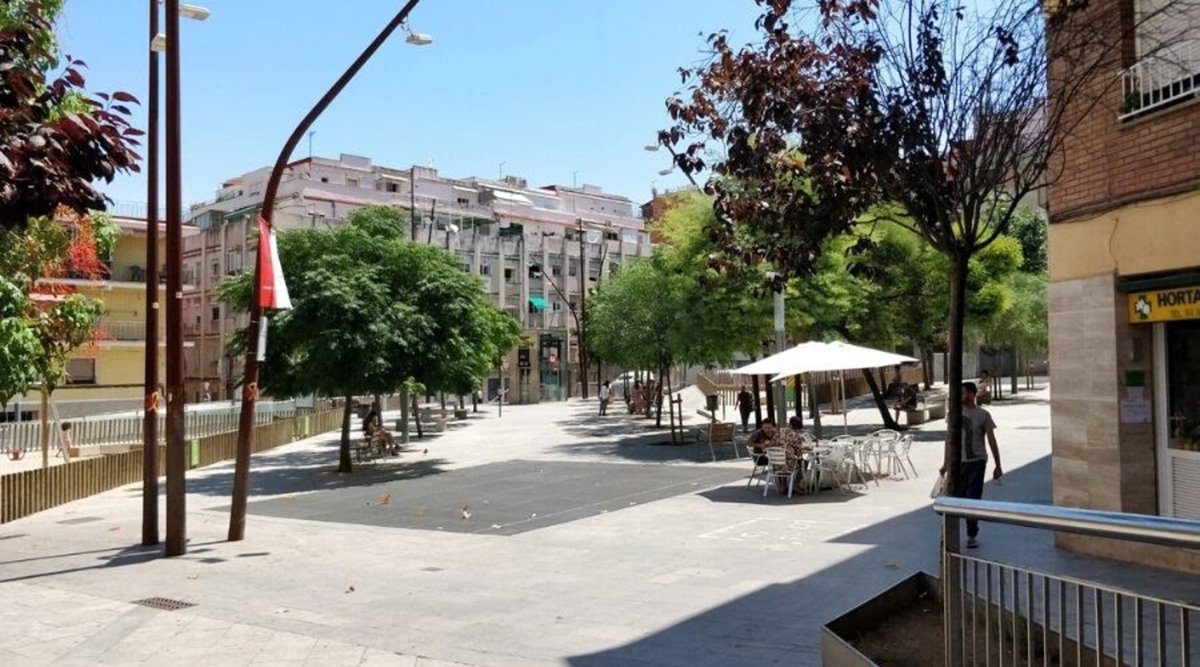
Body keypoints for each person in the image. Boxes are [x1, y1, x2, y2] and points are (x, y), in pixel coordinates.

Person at [941, 381, 1002, 548]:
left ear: (973, 394)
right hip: (958, 462)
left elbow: (992, 440)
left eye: (964, 393)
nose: (961, 396)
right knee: (955, 496)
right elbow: (949, 439)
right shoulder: (954, 414)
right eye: (960, 393)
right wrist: (945, 463)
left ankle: (971, 533)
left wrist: (998, 465)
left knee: (973, 497)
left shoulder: (983, 415)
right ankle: (949, 534)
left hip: (977, 461)